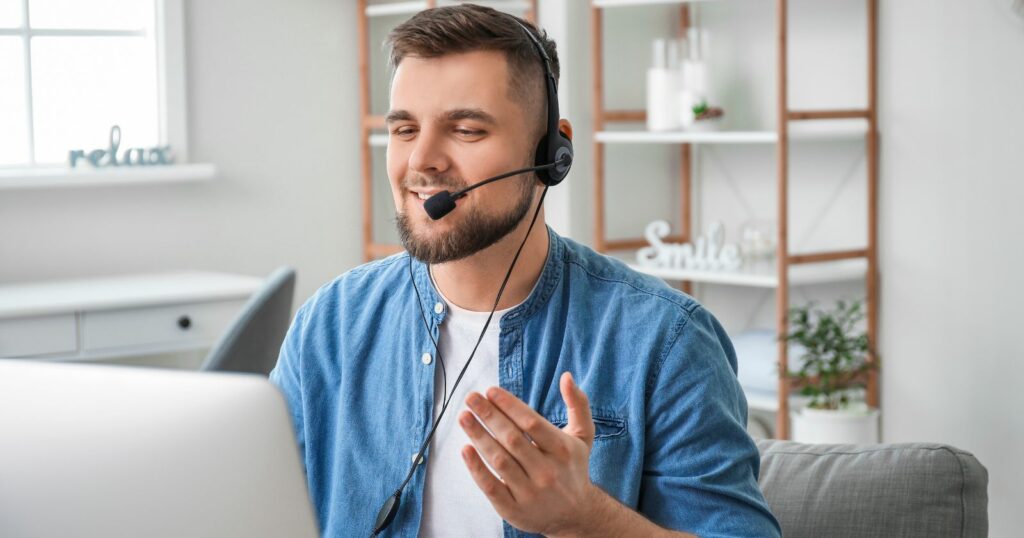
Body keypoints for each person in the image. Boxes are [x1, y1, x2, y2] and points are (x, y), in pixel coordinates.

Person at [270, 4, 781, 537]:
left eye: (465, 129)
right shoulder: (331, 324)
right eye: (403, 130)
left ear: (551, 151)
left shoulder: (665, 341)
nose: (420, 161)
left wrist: (585, 519)